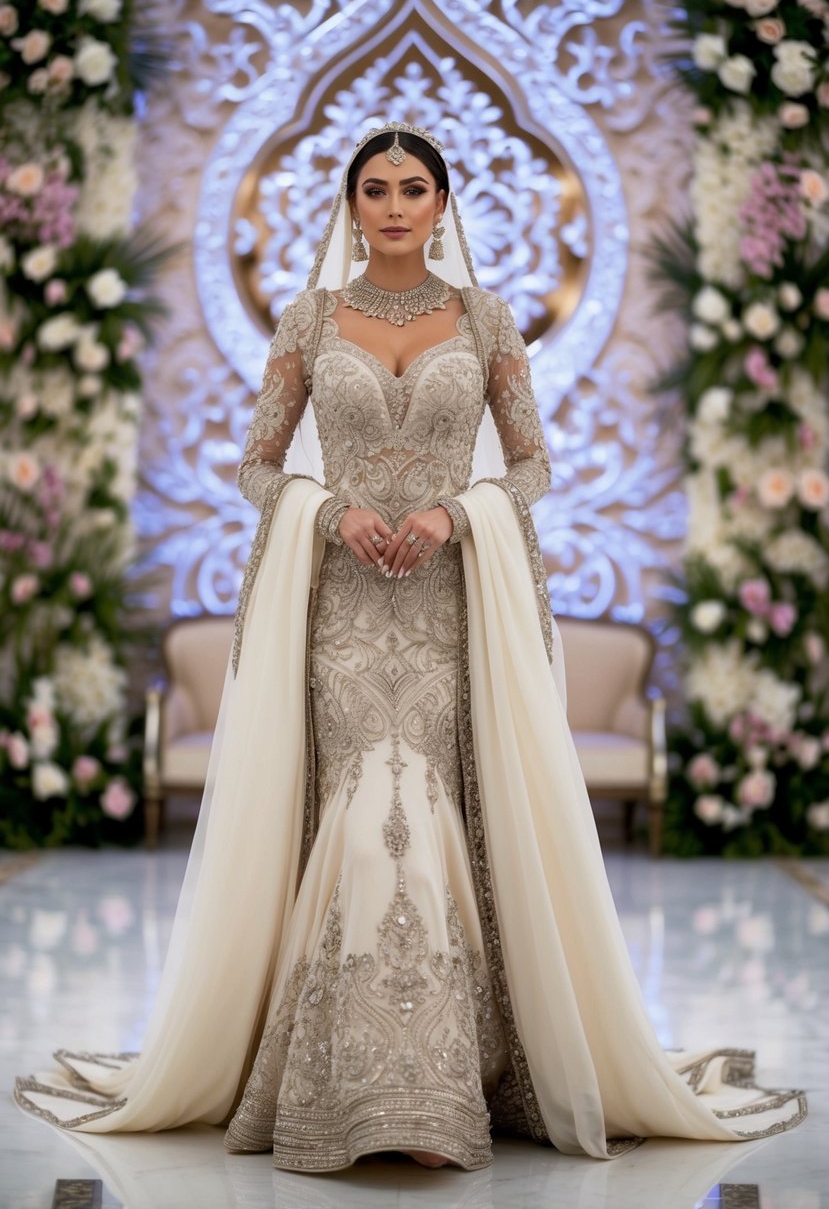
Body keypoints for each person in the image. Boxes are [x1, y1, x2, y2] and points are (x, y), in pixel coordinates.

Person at [15, 122, 805, 1172]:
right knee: (360, 800)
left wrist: (457, 514)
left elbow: (532, 468)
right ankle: (346, 1085)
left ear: (443, 204)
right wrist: (324, 507)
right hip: (340, 609)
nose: (393, 205)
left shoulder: (484, 319)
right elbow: (256, 466)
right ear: (350, 206)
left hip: (444, 606)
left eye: (413, 188)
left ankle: (441, 1082)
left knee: (425, 797)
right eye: (375, 188)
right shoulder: (309, 316)